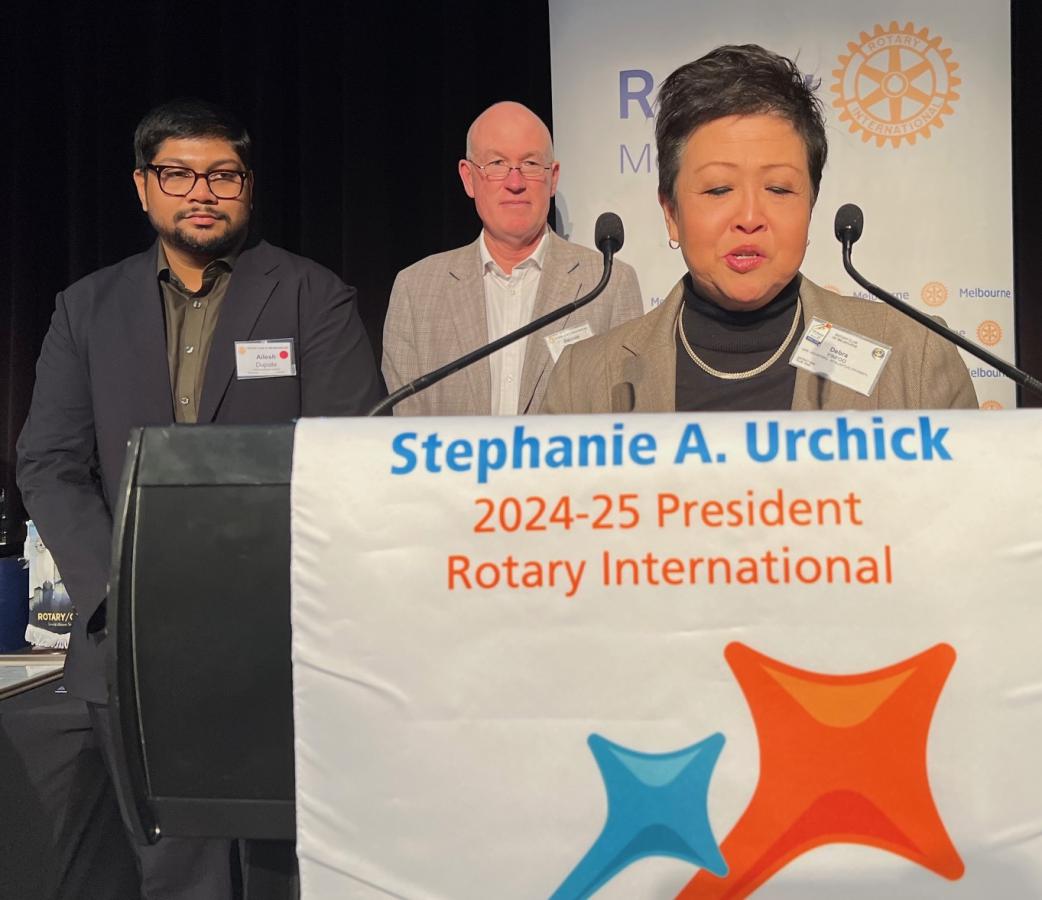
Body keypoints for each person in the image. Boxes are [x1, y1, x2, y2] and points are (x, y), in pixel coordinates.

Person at [16, 98, 382, 899]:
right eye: (178, 174)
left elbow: (353, 456)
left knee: (286, 870)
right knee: (178, 872)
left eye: (223, 175)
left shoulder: (311, 296)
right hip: (129, 644)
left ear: (248, 186)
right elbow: (48, 462)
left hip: (280, 636)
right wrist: (115, 589)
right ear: (143, 186)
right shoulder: (86, 307)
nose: (202, 193)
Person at [540, 45, 978, 413]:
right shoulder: (586, 381)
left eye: (779, 189)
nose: (749, 217)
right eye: (718, 189)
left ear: (811, 206)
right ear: (671, 213)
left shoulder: (914, 359)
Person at [382, 101, 645, 416]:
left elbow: (627, 419)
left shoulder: (609, 284)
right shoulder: (416, 290)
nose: (515, 183)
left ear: (553, 178)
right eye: (496, 163)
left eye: (530, 164)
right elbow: (408, 429)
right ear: (468, 178)